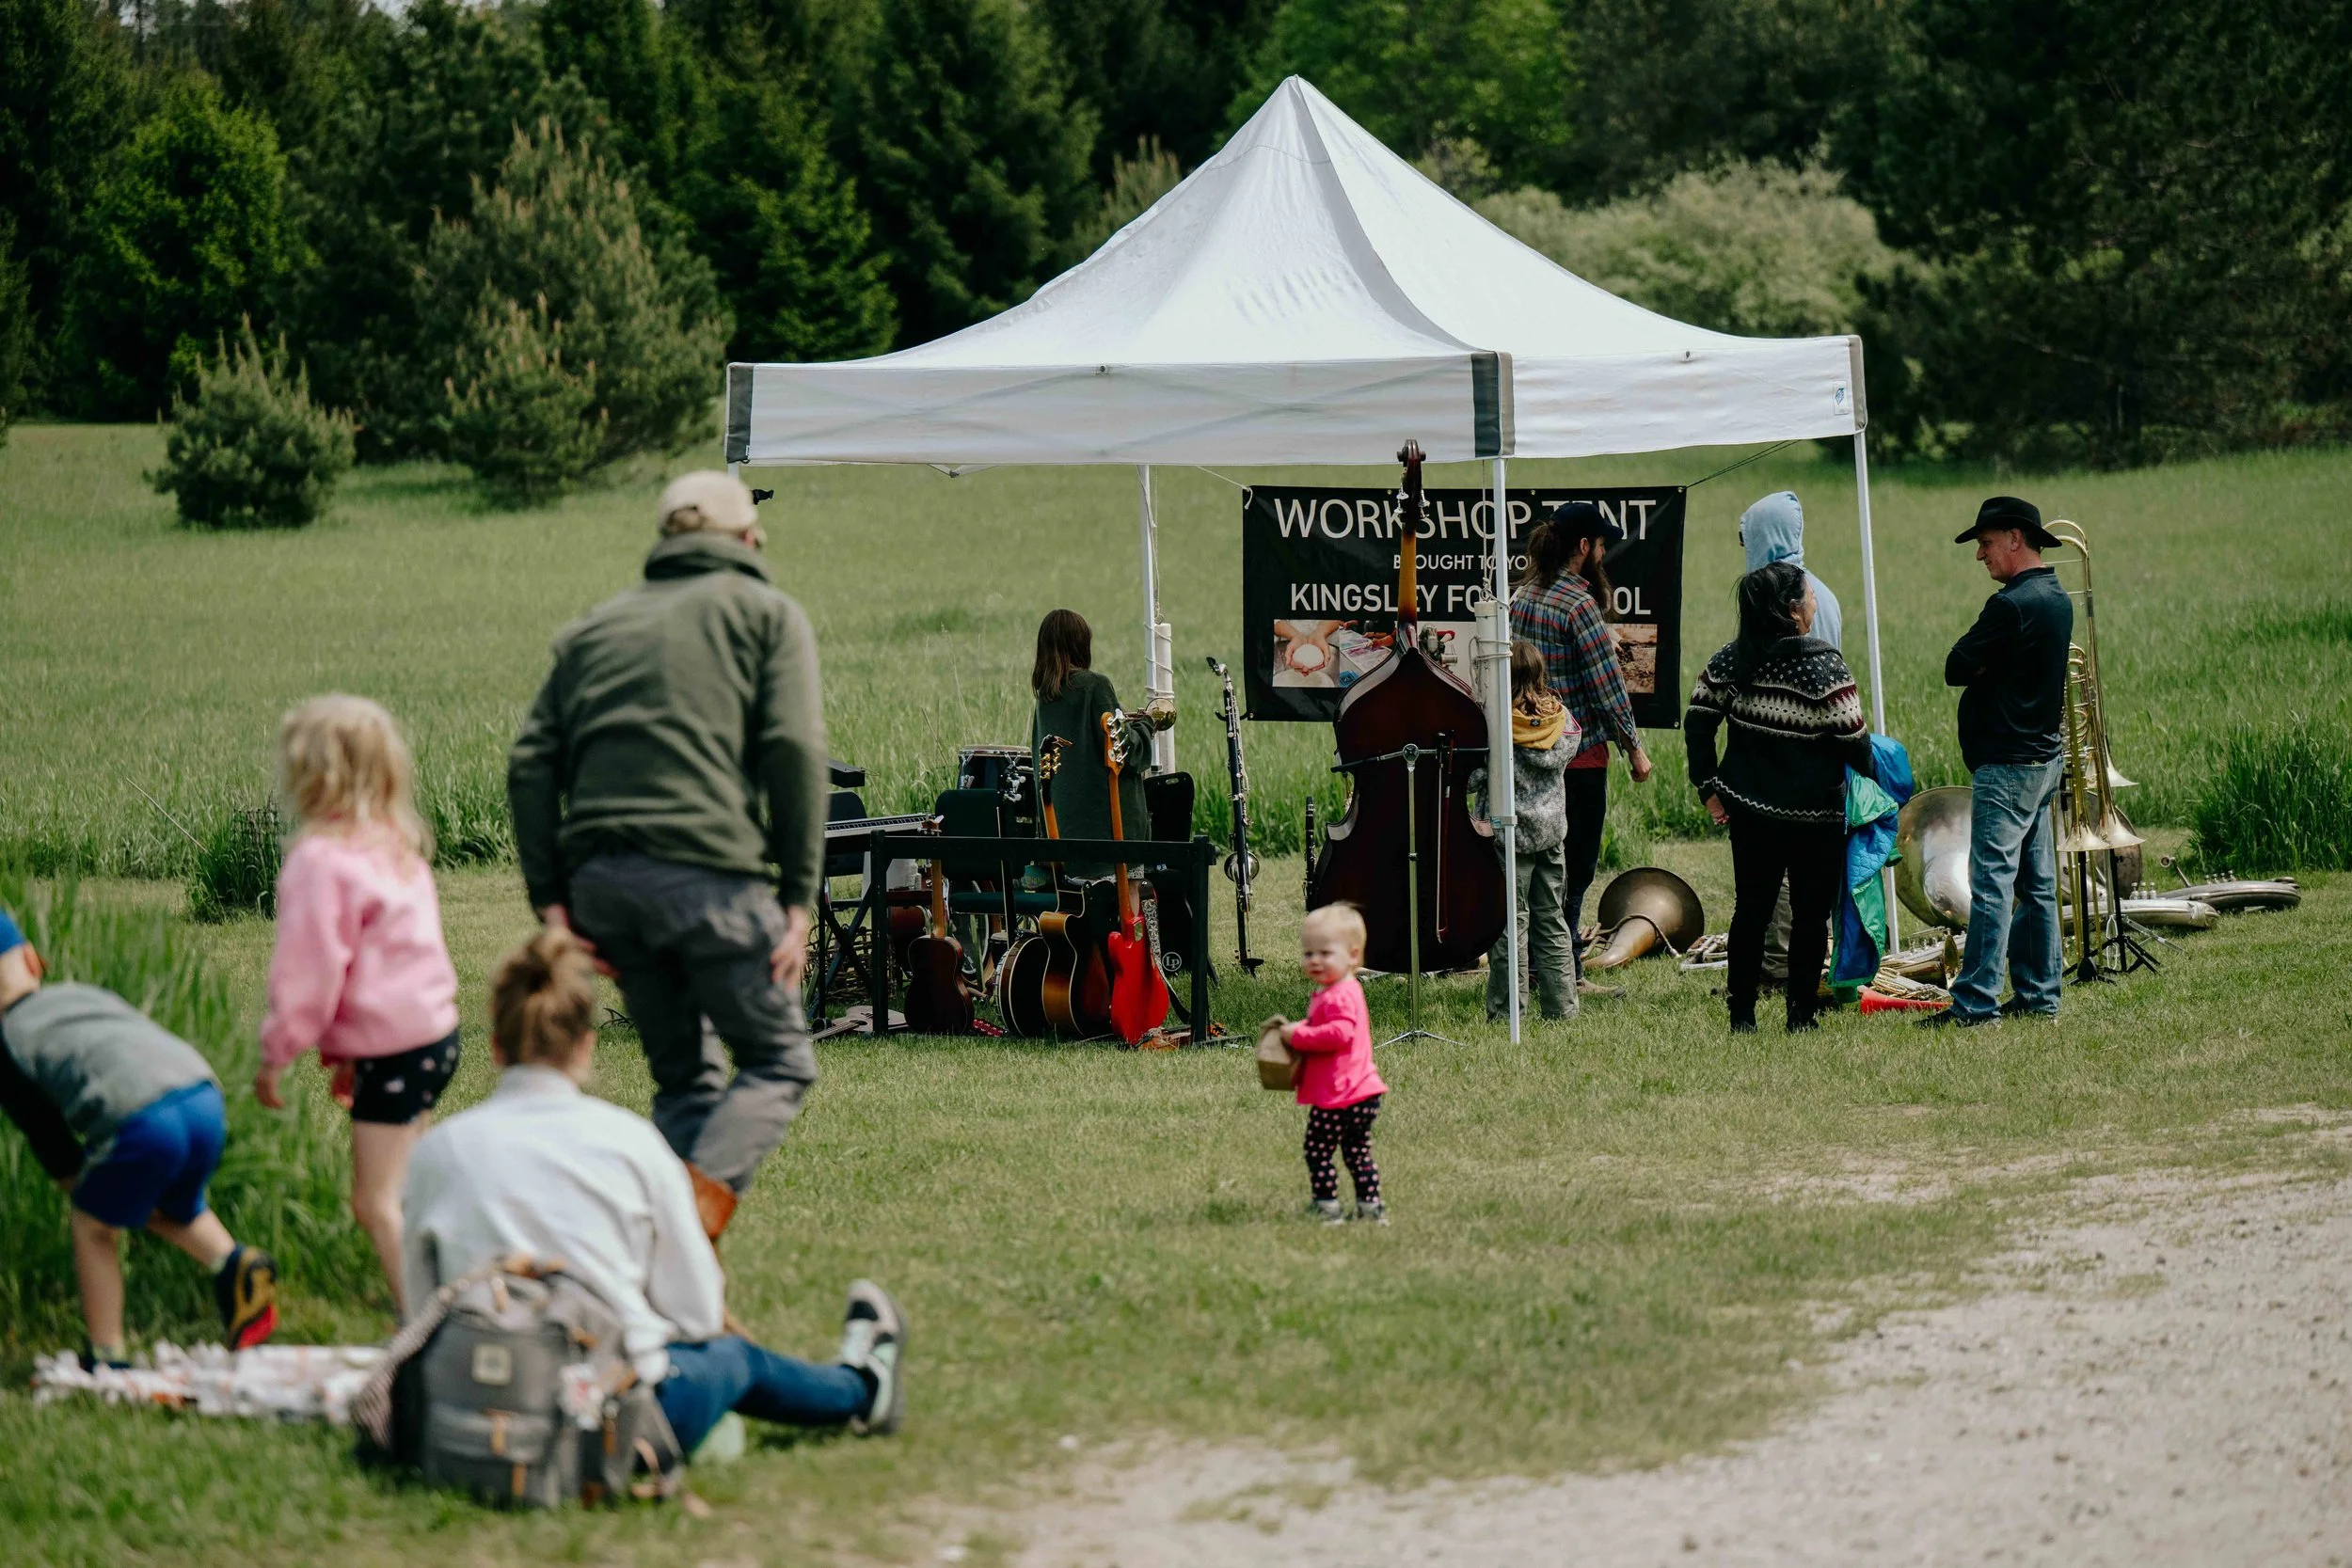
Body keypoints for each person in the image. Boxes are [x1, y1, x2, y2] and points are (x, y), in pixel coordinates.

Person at [401, 927, 904, 1454]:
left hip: (472, 1404)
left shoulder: (437, 1151)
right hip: (613, 1413)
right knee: (737, 1359)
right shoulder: (631, 1143)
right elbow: (698, 1314)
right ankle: (864, 1387)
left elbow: (420, 1310)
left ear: (498, 1047)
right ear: (585, 1045)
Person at [508, 470, 826, 1242]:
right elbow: (793, 747)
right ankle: (670, 1235)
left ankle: (659, 1278)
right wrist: (797, 893)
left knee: (686, 1078)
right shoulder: (767, 614)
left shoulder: (594, 629)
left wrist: (552, 899)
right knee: (781, 1059)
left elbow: (529, 762)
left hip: (604, 891)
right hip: (710, 879)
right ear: (747, 540)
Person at [0, 910, 278, 1368]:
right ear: (32, 961)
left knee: (93, 1225)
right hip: (202, 1095)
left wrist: (82, 1187)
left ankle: (107, 1354)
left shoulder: (9, 1041)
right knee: (177, 1205)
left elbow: (47, 1135)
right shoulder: (76, 995)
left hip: (143, 1120)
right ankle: (235, 1264)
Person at [254, 696, 460, 1312]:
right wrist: (352, 1051)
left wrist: (277, 1050)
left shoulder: (320, 861)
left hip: (396, 1047)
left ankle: (425, 1326)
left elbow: (310, 973)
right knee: (407, 1186)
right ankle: (445, 1293)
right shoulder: (395, 843)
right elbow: (395, 961)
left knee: (374, 1201)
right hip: (433, 1035)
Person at [1685, 562, 1873, 1033]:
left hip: (1750, 815)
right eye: (1810, 595)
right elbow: (1856, 740)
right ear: (1793, 610)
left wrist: (1709, 788)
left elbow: (1697, 722)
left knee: (1750, 912)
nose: (1814, 602)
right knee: (1811, 918)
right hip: (1817, 818)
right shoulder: (1824, 664)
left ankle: (1742, 1017)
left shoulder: (1732, 658)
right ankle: (1801, 1016)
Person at [1921, 497, 2074, 1029]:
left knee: (1991, 886)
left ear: (2014, 538)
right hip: (2043, 759)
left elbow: (1955, 665)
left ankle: (1975, 1004)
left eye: (1985, 544)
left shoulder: (2010, 606)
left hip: (2008, 765)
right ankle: (2039, 996)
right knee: (2035, 885)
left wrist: (1987, 668)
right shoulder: (2056, 595)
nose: (1980, 555)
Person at [1510, 500, 1655, 996]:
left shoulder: (1523, 596)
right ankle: (1565, 969)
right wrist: (1634, 748)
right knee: (1577, 864)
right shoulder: (1580, 604)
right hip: (1579, 756)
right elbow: (1607, 687)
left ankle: (1532, 964)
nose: (1605, 551)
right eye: (1601, 543)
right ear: (1583, 547)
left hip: (1527, 751)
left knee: (1536, 862)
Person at [1740, 491, 1845, 986]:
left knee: (1782, 869)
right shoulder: (1820, 589)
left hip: (1786, 749)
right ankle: (1783, 963)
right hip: (1818, 749)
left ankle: (1779, 966)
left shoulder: (1779, 596)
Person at [1027, 609, 1173, 876]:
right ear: (1080, 644)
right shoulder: (1095, 686)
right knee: (1127, 904)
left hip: (1063, 834)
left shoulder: (1045, 700)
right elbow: (1127, 753)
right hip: (1109, 833)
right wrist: (1148, 723)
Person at [1484, 640, 1581, 1022]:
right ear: (1540, 673)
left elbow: (1477, 778)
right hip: (1551, 834)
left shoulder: (1498, 724)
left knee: (1511, 925)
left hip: (1510, 837)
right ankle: (1563, 1009)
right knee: (1552, 920)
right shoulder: (1561, 718)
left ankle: (1508, 1013)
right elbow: (1570, 750)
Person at [1279, 904, 1387, 1225]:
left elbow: (1338, 1034)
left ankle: (1327, 1206)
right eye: (1308, 952)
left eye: (1325, 953)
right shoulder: (1344, 989)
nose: (1314, 960)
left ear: (1353, 956)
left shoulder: (1338, 995)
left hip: (1340, 1096)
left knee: (1317, 1150)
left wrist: (1298, 1036)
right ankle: (1371, 1208)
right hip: (1363, 1092)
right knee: (1357, 1153)